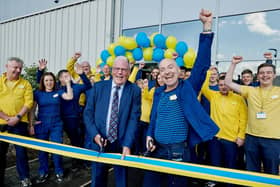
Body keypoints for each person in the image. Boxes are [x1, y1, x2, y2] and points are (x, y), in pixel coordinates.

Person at [143, 9, 219, 187]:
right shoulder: (159, 92)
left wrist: (206, 28)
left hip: (178, 151)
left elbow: (201, 65)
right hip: (157, 149)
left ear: (178, 71)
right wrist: (149, 135)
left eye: (171, 67)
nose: (167, 71)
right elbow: (154, 118)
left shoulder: (188, 88)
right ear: (159, 75)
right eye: (162, 69)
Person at [83, 56, 141, 187]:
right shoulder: (98, 87)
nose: (120, 72)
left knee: (121, 180)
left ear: (129, 71)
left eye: (124, 69)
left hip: (121, 144)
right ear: (112, 70)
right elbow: (87, 114)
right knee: (98, 178)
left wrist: (127, 144)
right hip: (99, 141)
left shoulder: (135, 91)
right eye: (117, 69)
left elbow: (133, 119)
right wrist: (95, 135)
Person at [225, 56, 280, 175]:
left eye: (269, 73)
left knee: (271, 173)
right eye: (262, 73)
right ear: (257, 76)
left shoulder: (278, 91)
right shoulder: (250, 90)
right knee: (251, 173)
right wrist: (233, 64)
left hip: (272, 140)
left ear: (274, 75)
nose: (265, 75)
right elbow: (228, 82)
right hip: (251, 138)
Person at [201, 69, 247, 187]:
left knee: (230, 164)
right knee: (215, 162)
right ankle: (215, 181)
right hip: (215, 138)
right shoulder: (214, 95)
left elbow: (243, 120)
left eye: (226, 84)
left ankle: (229, 184)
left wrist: (241, 136)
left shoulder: (239, 99)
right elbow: (204, 87)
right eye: (220, 85)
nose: (223, 87)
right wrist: (208, 73)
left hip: (231, 139)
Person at [29, 71, 73, 184]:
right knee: (42, 150)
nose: (49, 82)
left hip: (56, 125)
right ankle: (43, 172)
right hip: (41, 124)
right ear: (43, 82)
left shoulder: (59, 91)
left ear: (54, 81)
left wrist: (68, 83)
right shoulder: (38, 93)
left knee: (56, 148)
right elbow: (32, 109)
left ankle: (59, 171)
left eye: (51, 80)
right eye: (46, 80)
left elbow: (69, 96)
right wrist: (32, 123)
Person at [0, 57, 33, 187]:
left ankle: (24, 178)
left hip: (20, 123)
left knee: (21, 153)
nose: (18, 70)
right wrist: (7, 118)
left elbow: (29, 102)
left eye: (20, 68)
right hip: (2, 123)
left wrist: (17, 117)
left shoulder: (25, 84)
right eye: (15, 67)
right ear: (7, 66)